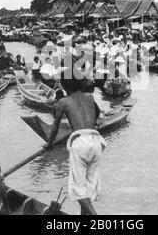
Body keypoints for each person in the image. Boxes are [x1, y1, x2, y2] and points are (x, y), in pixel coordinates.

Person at [44, 74, 106, 215]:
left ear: (65, 87)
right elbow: (96, 115)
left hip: (80, 143)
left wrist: (49, 144)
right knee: (88, 188)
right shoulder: (90, 97)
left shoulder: (63, 102)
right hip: (96, 141)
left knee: (77, 190)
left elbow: (54, 128)